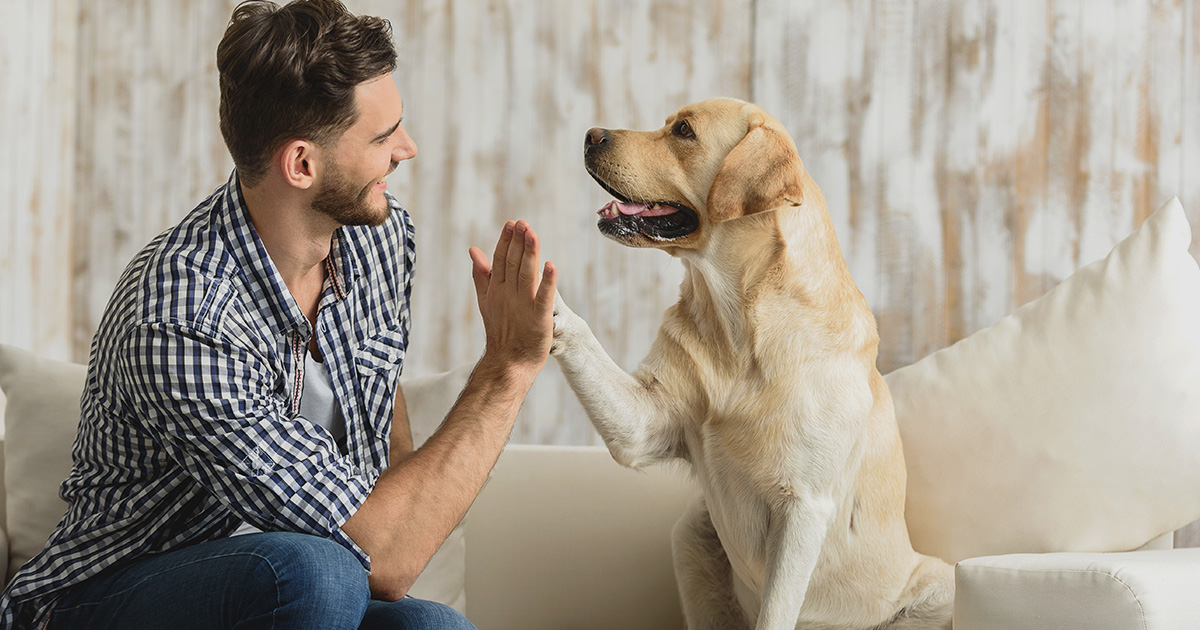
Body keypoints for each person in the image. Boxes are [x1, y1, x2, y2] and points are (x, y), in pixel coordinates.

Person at [0, 1, 557, 628]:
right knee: (315, 573)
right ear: (301, 164)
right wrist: (507, 367)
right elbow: (385, 556)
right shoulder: (182, 313)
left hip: (307, 593)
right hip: (108, 597)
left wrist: (393, 537)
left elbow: (385, 420)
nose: (408, 148)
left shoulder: (379, 236)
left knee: (433, 625)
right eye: (381, 136)